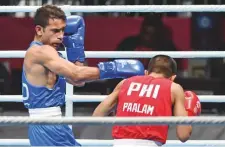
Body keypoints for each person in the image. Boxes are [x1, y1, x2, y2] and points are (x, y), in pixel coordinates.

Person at [21, 4, 144, 146]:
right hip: (46, 126)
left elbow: (77, 81)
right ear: (39, 30)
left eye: (62, 30)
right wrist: (115, 68)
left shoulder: (51, 54)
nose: (61, 36)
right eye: (55, 31)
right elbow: (77, 74)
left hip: (53, 125)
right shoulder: (40, 52)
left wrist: (75, 52)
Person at [93, 55, 201, 147]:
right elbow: (183, 135)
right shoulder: (174, 88)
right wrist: (189, 113)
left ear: (146, 72)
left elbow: (97, 116)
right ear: (173, 77)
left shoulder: (125, 82)